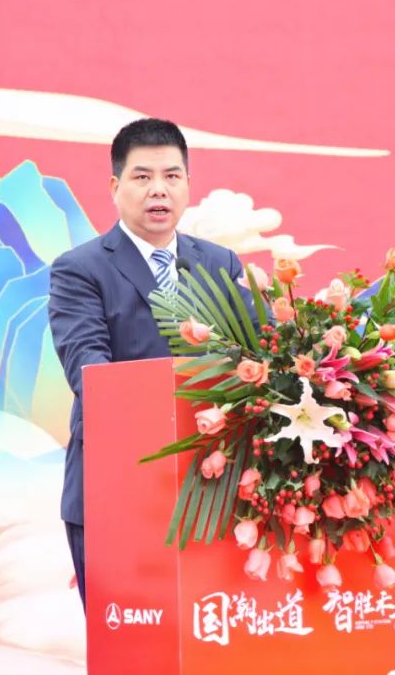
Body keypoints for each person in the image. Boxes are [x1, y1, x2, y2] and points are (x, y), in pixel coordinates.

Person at [48, 118, 252, 607]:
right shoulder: (81, 269)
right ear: (115, 187)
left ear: (188, 186)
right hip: (117, 486)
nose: (158, 189)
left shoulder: (219, 264)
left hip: (211, 490)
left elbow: (252, 358)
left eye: (171, 176)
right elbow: (89, 371)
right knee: (130, 638)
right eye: (142, 177)